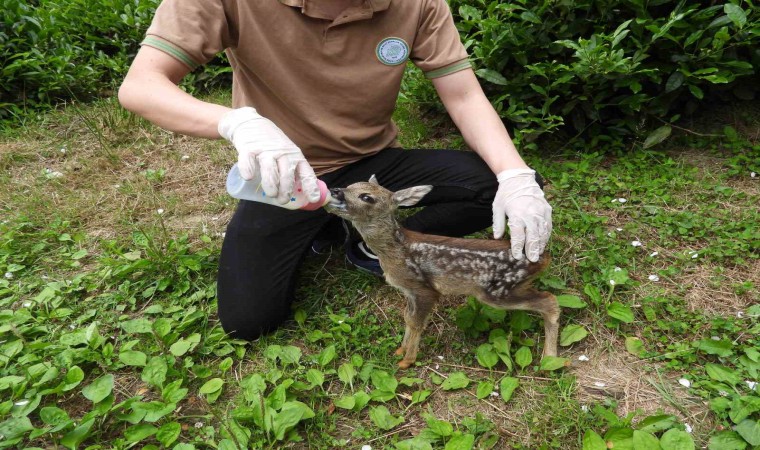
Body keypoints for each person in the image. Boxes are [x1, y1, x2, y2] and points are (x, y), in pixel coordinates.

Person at [118, 0, 553, 340]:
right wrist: (238, 123)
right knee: (248, 321)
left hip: (374, 165)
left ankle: (369, 245)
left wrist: (516, 176)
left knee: (488, 182)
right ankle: (327, 228)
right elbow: (142, 85)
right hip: (288, 173)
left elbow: (462, 95)